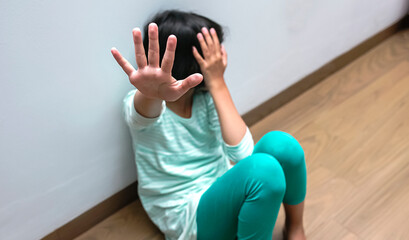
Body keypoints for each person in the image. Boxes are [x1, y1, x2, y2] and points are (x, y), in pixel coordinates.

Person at [111, 10, 307, 240]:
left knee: (282, 146)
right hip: (190, 216)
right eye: (211, 53)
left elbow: (243, 154)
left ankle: (295, 229)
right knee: (265, 171)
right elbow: (143, 113)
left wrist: (217, 83)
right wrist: (151, 94)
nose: (220, 57)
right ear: (195, 64)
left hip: (222, 187)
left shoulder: (204, 99)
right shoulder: (143, 106)